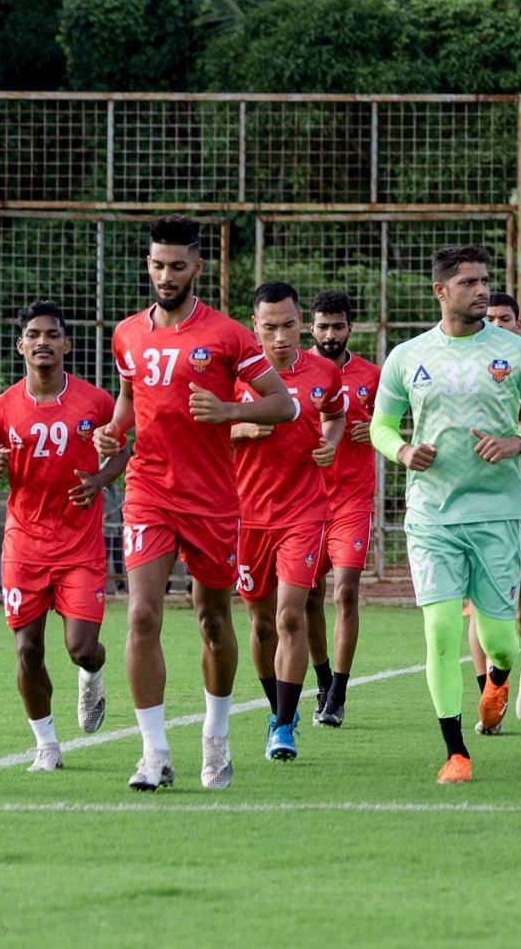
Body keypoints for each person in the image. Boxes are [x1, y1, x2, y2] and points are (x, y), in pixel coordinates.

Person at [96, 215, 296, 792]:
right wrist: (113, 430)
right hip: (149, 492)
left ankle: (215, 737)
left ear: (197, 268)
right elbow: (130, 401)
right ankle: (153, 753)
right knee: (141, 615)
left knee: (212, 620)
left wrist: (231, 412)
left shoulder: (229, 336)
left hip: (212, 500)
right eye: (158, 264)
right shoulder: (128, 334)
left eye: (177, 265)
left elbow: (283, 406)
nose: (165, 275)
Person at [369, 245, 521, 784]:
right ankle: (456, 752)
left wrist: (515, 441)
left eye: (485, 281)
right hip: (431, 515)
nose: (482, 291)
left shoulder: (516, 352)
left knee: (501, 639)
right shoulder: (407, 356)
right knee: (438, 632)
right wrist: (403, 451)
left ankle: (499, 679)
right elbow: (380, 426)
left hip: (498, 514)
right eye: (470, 283)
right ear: (441, 291)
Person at [0, 301, 125, 772]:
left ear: (66, 344)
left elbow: (122, 454)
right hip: (24, 545)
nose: (43, 342)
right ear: (21, 346)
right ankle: (47, 745)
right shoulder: (1, 410)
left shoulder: (97, 403)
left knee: (80, 646)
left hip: (79, 545)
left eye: (52, 335)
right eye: (34, 335)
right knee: (27, 649)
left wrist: (100, 480)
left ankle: (91, 673)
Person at [230, 283, 346, 762]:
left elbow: (335, 414)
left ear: (303, 323)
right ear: (254, 325)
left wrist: (331, 441)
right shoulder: (233, 375)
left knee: (290, 615)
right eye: (270, 326)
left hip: (304, 512)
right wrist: (241, 425)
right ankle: (277, 706)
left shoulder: (323, 372)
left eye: (289, 325)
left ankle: (282, 724)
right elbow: (202, 427)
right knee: (260, 626)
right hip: (246, 516)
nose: (280, 336)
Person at [472, 291, 521, 725]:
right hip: (481, 504)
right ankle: (488, 695)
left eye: (505, 318)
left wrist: (512, 433)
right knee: (478, 609)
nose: (497, 325)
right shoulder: (467, 369)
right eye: (490, 318)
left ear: (520, 325)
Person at [308, 289, 380, 728]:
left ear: (350, 327)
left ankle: (337, 691)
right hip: (305, 500)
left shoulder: (372, 375)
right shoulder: (293, 372)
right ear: (309, 328)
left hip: (353, 499)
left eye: (338, 326)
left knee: (346, 591)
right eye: (322, 326)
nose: (330, 334)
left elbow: (394, 422)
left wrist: (377, 428)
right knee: (308, 597)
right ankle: (319, 678)